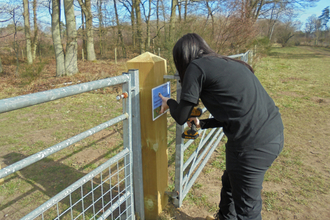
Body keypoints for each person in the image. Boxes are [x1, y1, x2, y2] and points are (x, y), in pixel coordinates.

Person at [159, 33, 284, 220]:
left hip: (251, 145)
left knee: (247, 210)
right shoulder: (227, 63)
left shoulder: (196, 67)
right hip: (272, 134)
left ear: (182, 57)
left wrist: (169, 102)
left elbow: (181, 116)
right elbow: (236, 111)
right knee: (230, 184)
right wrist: (203, 123)